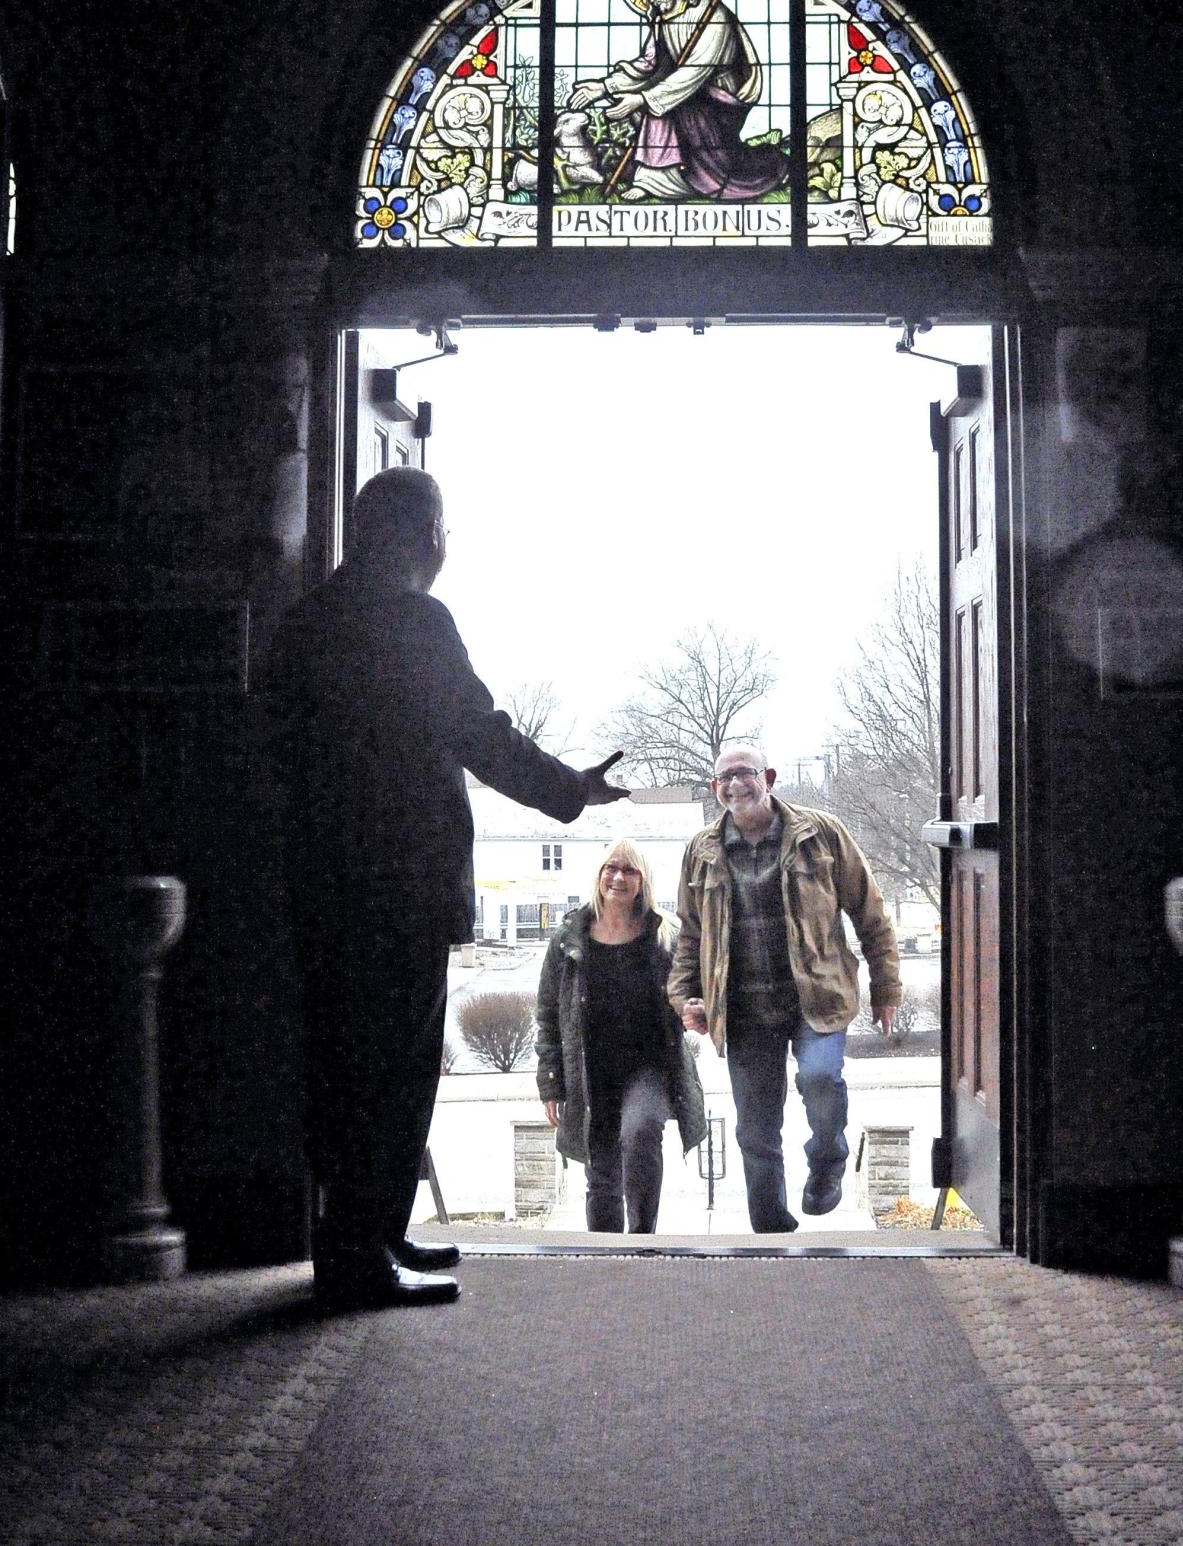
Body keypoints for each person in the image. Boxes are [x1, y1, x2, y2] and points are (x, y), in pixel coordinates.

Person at [268, 467, 627, 1309]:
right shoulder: (417, 622)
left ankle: (370, 1236)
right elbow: (481, 735)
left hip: (321, 879)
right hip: (398, 883)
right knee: (391, 1071)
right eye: (444, 529)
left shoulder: (306, 622)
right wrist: (572, 790)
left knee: (343, 1065)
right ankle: (360, 1258)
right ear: (426, 534)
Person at [668, 743, 902, 1235]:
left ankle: (828, 1157)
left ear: (768, 777)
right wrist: (685, 996)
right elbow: (689, 934)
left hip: (817, 997)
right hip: (745, 1009)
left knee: (819, 1078)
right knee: (755, 1129)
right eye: (723, 778)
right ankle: (770, 1232)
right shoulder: (701, 851)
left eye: (744, 774)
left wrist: (886, 987)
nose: (735, 785)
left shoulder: (822, 834)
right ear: (714, 789)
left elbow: (870, 912)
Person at [535, 840, 706, 1233]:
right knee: (602, 1176)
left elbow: (691, 991)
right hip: (591, 1073)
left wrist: (696, 1010)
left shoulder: (664, 936)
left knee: (642, 1130)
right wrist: (551, 1083)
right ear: (598, 875)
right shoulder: (568, 939)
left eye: (630, 870)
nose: (618, 877)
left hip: (649, 1069)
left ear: (643, 881)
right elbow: (547, 1014)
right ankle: (604, 1254)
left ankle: (642, 1239)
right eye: (611, 868)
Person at [567, 0, 788, 203]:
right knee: (658, 99)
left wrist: (643, 98)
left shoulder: (712, 15)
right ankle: (655, 179)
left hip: (720, 93)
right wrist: (604, 87)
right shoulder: (662, 21)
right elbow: (648, 65)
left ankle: (669, 178)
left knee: (663, 104)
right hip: (688, 89)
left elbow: (698, 70)